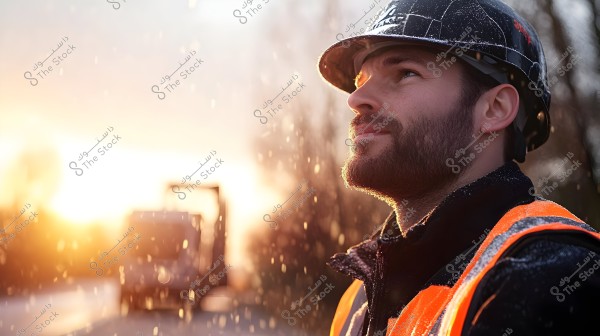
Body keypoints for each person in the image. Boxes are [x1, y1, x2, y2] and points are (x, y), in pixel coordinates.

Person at [317, 0, 600, 335]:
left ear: (494, 109)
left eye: (406, 72)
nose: (356, 98)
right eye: (362, 79)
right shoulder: (360, 297)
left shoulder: (551, 278)